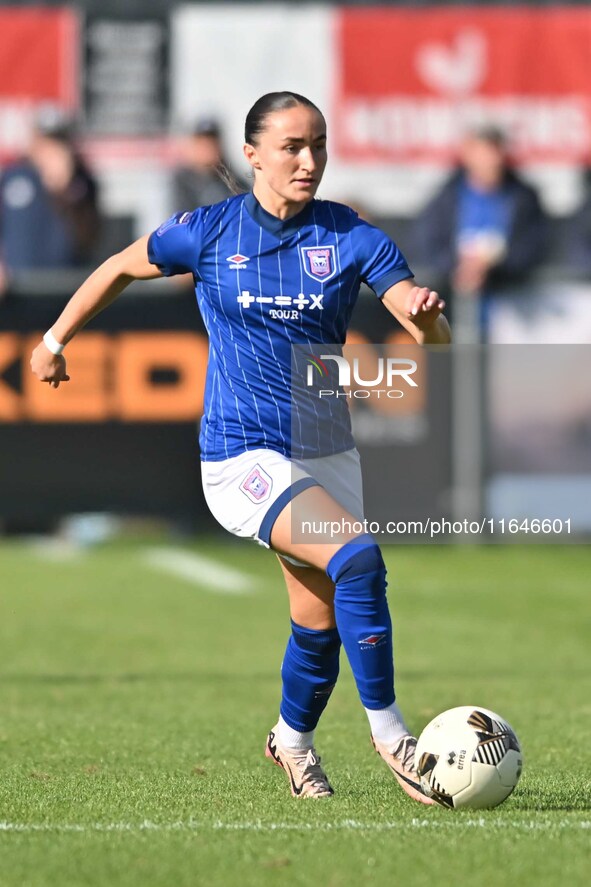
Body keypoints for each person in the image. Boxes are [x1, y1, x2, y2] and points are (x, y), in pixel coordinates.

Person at [30, 92, 450, 803]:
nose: (308, 160)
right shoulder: (209, 230)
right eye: (291, 146)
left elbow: (429, 343)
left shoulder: (351, 236)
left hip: (323, 448)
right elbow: (117, 268)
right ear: (252, 153)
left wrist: (426, 319)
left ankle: (290, 741)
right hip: (241, 457)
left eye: (317, 144)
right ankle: (394, 737)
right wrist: (52, 340)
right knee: (357, 557)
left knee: (316, 617)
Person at [411, 125, 547, 313]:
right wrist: (459, 266)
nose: (491, 161)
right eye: (484, 153)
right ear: (468, 155)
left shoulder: (523, 198)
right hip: (453, 303)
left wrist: (493, 266)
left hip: (513, 304)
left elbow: (534, 245)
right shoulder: (447, 197)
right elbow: (429, 245)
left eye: (495, 152)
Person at [0, 108, 100, 292]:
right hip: (14, 292)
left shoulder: (82, 184)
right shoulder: (14, 177)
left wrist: (64, 192)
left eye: (58, 143)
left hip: (64, 292)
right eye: (45, 142)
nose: (50, 151)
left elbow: (89, 240)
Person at [172, 116, 247, 210]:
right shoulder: (183, 182)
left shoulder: (232, 180)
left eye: (210, 144)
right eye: (202, 144)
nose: (206, 149)